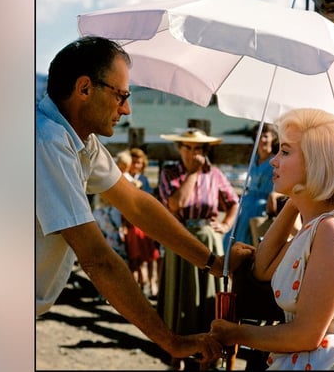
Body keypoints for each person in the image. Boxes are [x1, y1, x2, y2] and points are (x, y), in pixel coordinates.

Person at [36, 36, 254, 367]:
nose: (126, 109)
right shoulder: (48, 141)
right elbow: (97, 259)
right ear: (84, 89)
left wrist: (212, 263)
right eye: (121, 96)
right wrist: (171, 341)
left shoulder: (77, 139)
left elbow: (136, 204)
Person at [209, 108, 334, 370]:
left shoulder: (332, 229)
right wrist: (295, 201)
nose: (273, 161)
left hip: (330, 361)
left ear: (316, 162)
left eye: (286, 151)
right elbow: (263, 268)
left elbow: (307, 334)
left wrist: (235, 333)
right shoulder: (315, 226)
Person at [156, 128, 241, 370]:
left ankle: (208, 354)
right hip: (179, 238)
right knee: (178, 295)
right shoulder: (169, 173)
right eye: (189, 147)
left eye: (199, 149)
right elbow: (175, 204)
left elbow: (234, 201)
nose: (194, 153)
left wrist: (224, 225)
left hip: (207, 237)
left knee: (206, 298)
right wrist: (192, 175)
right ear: (180, 149)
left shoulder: (213, 173)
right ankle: (177, 355)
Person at [224, 123, 279, 248]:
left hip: (262, 205)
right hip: (247, 203)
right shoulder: (254, 159)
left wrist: (275, 195)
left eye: (265, 136)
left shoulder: (275, 161)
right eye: (259, 136)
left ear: (273, 138)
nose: (262, 140)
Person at [124, 147, 161, 298]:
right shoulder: (124, 178)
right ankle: (140, 283)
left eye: (139, 162)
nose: (136, 165)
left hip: (143, 221)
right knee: (135, 256)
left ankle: (151, 282)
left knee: (151, 254)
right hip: (130, 221)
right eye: (133, 162)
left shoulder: (143, 179)